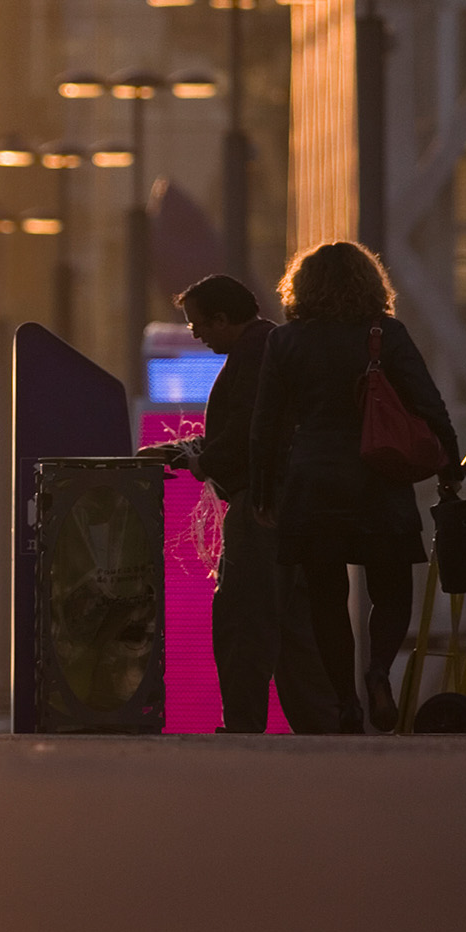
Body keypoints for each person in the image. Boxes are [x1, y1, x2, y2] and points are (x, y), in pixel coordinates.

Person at [245, 242, 454, 734]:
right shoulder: (387, 335)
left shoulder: (287, 341)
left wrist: (261, 491)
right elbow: (428, 402)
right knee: (392, 587)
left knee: (326, 596)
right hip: (379, 474)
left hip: (313, 479)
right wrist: (449, 460)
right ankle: (379, 672)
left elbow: (266, 423)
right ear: (369, 283)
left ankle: (344, 701)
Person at [166, 273, 332, 734]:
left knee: (243, 617)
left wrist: (202, 460)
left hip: (262, 504)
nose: (196, 335)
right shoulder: (270, 345)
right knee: (297, 628)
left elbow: (248, 429)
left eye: (199, 324)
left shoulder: (257, 353)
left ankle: (242, 724)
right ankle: (323, 728)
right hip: (297, 504)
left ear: (223, 318)